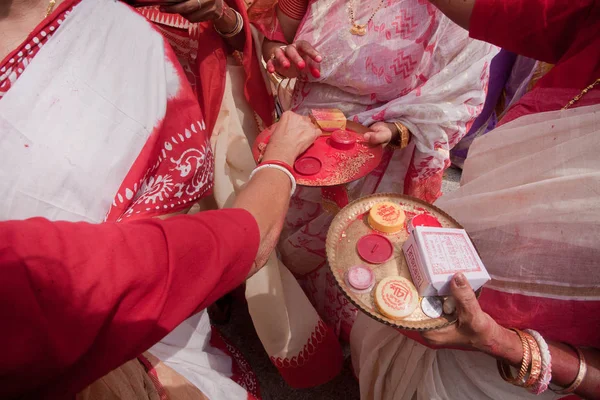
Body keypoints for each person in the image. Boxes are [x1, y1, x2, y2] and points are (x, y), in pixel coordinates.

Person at [0, 0, 311, 397]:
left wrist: (222, 14)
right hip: (114, 138)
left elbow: (260, 37)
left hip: (199, 104)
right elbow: (225, 243)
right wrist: (280, 163)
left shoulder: (109, 27)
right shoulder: (34, 269)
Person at [238, 0, 497, 385]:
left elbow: (458, 94)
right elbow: (273, 41)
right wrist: (283, 57)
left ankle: (344, 339)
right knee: (286, 237)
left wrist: (398, 131)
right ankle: (289, 326)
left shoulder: (456, 10)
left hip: (382, 148)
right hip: (304, 135)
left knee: (357, 251)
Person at [351, 0, 600, 398]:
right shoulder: (590, 20)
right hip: (450, 263)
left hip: (518, 369)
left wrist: (507, 346)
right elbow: (497, 12)